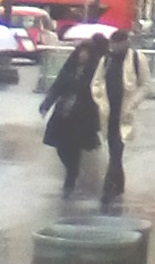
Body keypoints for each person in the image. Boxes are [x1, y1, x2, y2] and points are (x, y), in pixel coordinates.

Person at [91, 29, 149, 206]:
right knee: (113, 149)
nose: (115, 47)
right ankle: (119, 183)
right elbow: (96, 81)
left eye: (118, 44)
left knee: (117, 149)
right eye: (113, 44)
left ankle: (107, 188)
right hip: (108, 112)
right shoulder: (106, 60)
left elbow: (145, 85)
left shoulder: (137, 59)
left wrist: (133, 103)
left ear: (126, 43)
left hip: (124, 112)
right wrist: (99, 98)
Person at [39, 40, 101, 193]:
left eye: (86, 52)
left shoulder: (95, 71)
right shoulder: (70, 68)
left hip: (83, 114)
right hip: (64, 112)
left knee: (75, 145)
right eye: (81, 52)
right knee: (61, 146)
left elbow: (100, 92)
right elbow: (57, 86)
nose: (83, 55)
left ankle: (71, 175)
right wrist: (46, 104)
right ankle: (72, 169)